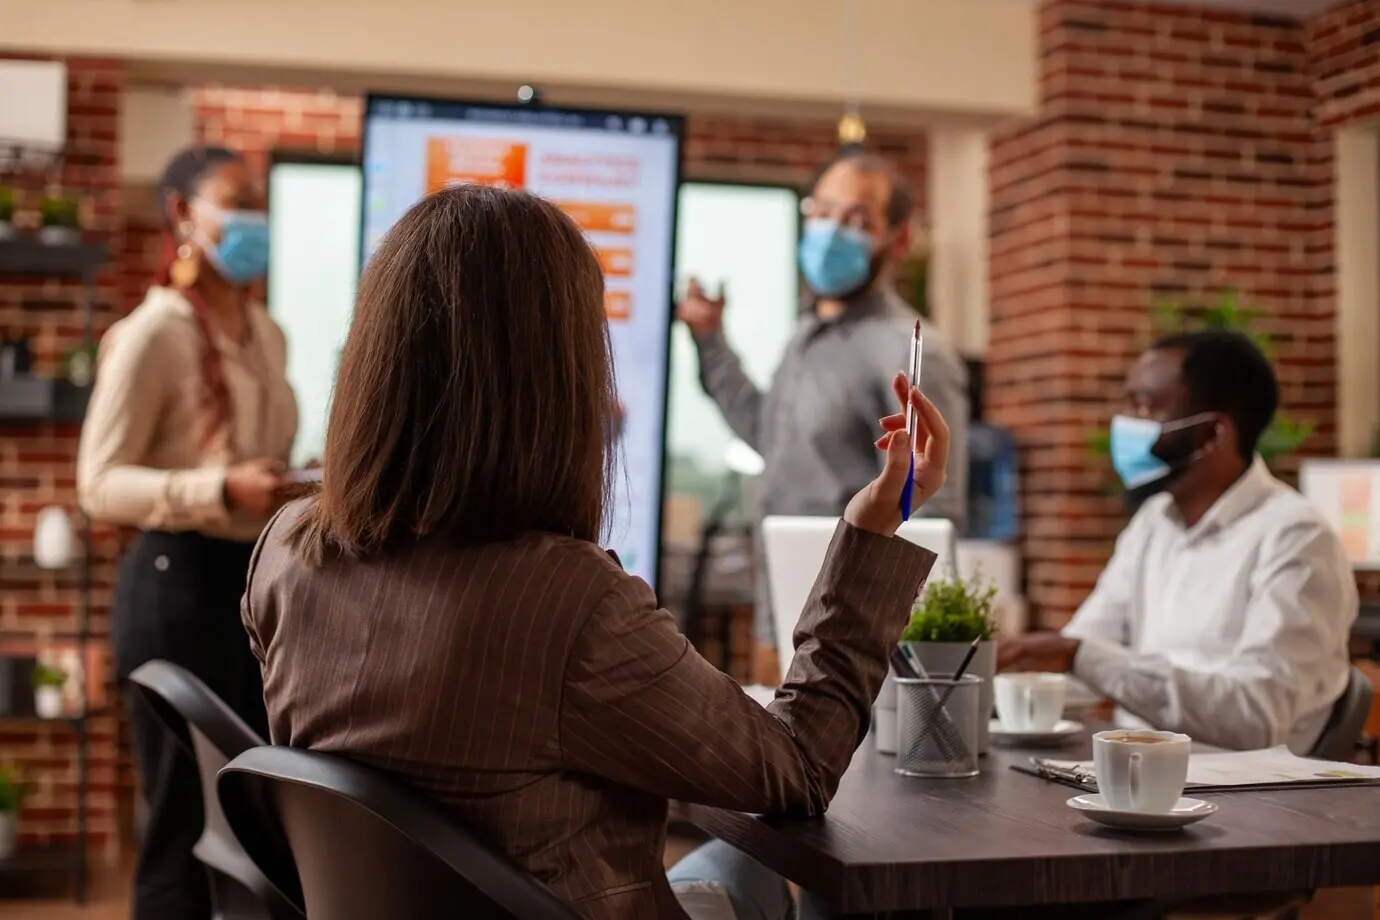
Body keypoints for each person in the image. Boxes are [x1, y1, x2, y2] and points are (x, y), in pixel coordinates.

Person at [240, 185, 952, 920]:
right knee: (767, 877)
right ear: (557, 380)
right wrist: (871, 535)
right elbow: (797, 769)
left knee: (729, 867)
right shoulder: (567, 603)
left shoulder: (286, 557)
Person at [77, 145, 298, 919]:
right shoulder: (151, 335)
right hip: (173, 586)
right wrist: (217, 487)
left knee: (253, 816)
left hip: (252, 593)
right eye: (237, 205)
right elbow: (98, 483)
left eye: (260, 205)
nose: (254, 223)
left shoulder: (268, 335)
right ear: (182, 215)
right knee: (178, 817)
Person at [677, 150, 969, 677]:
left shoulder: (908, 349)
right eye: (824, 212)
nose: (833, 230)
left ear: (897, 239)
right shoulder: (805, 336)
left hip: (853, 637)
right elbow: (768, 434)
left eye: (858, 220)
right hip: (780, 613)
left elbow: (935, 507)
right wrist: (710, 341)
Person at [998, 331, 1356, 752]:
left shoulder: (1296, 537)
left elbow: (1257, 717)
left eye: (1145, 406)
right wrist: (982, 679)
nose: (1125, 423)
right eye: (1128, 403)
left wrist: (1080, 656)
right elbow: (1083, 660)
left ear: (1212, 435)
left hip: (1252, 798)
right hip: (1137, 775)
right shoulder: (1154, 523)